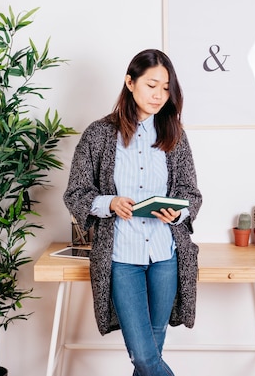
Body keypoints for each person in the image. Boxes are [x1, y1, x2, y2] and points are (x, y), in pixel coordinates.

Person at [63, 49, 202, 376]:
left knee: (152, 352)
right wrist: (109, 203)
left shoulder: (174, 135)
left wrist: (177, 212)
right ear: (130, 82)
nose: (159, 95)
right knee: (144, 357)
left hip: (165, 257)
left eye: (166, 88)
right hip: (121, 257)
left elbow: (190, 192)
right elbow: (76, 193)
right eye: (152, 85)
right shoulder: (98, 135)